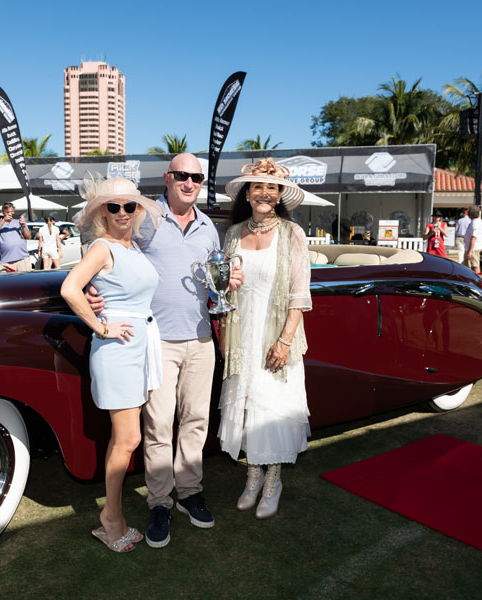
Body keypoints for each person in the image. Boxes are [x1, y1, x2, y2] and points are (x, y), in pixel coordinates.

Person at [85, 153, 242, 548]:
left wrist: (229, 280)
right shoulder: (146, 218)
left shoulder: (209, 227)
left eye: (197, 177)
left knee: (196, 421)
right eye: (182, 176)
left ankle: (189, 492)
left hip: (201, 336)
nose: (190, 183)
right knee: (157, 426)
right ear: (168, 178)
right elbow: (108, 244)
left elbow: (213, 278)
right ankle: (159, 502)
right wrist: (93, 289)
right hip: (155, 341)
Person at [60, 176, 164, 552]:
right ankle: (110, 519)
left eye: (129, 206)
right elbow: (70, 288)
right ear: (102, 211)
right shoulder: (102, 247)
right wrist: (100, 326)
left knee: (127, 438)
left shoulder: (133, 246)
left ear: (138, 210)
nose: (122, 213)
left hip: (138, 344)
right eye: (113, 206)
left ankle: (113, 516)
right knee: (129, 439)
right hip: (118, 348)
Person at [217, 159, 311, 519]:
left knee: (272, 405)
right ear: (247, 193)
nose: (264, 194)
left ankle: (273, 480)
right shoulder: (234, 233)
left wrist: (285, 341)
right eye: (257, 187)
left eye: (271, 188)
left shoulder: (292, 234)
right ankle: (252, 477)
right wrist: (225, 330)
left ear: (280, 194)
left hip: (275, 335)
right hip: (243, 332)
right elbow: (224, 286)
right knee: (246, 408)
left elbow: (299, 295)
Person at [0, 202, 32, 272]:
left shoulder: (18, 222)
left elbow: (28, 237)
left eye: (12, 212)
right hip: (6, 261)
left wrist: (23, 226)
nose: (10, 214)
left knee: (26, 282)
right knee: (5, 283)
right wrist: (4, 220)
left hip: (22, 259)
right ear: (3, 212)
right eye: (7, 212)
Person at [462, 207, 482, 274]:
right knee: (466, 265)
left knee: (474, 266)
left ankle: (477, 282)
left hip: (473, 248)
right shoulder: (479, 221)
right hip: (473, 248)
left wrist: (470, 251)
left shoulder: (475, 223)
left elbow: (474, 237)